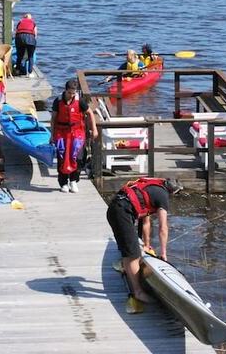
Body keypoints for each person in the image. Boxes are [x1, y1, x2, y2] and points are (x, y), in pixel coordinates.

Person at [106, 177, 184, 305]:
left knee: (129, 250)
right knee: (133, 255)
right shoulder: (163, 196)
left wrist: (147, 245)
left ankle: (130, 273)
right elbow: (163, 227)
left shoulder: (151, 187)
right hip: (122, 212)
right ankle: (138, 292)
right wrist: (163, 253)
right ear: (173, 192)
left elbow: (146, 222)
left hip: (115, 208)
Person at [50, 79, 98, 193]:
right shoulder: (58, 101)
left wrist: (94, 129)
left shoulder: (80, 101)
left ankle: (73, 181)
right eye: (70, 93)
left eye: (73, 93)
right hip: (61, 132)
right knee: (62, 157)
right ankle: (63, 183)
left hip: (77, 132)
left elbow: (90, 113)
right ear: (65, 90)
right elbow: (53, 119)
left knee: (78, 157)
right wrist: (52, 135)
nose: (71, 95)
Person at [14, 13, 37, 78]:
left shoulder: (20, 21)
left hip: (20, 37)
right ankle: (30, 73)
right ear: (30, 18)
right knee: (30, 56)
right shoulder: (33, 22)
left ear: (24, 17)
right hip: (30, 37)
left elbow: (16, 32)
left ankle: (17, 70)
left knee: (19, 55)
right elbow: (35, 34)